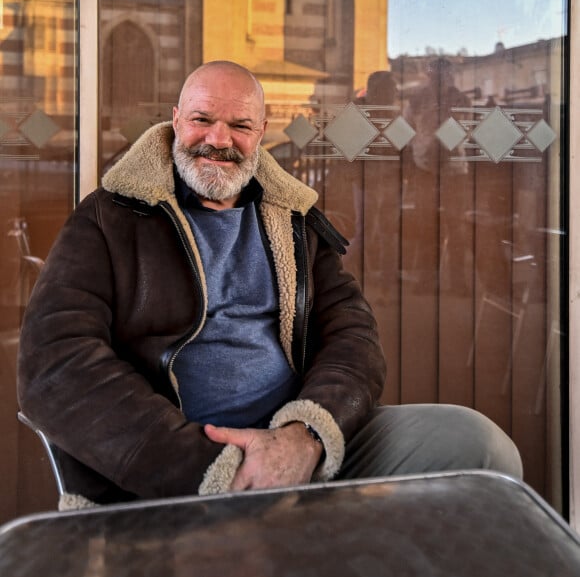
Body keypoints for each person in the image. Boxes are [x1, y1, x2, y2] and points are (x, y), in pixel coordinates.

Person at [17, 60, 522, 509]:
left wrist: (303, 437)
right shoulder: (108, 219)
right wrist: (214, 468)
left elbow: (354, 338)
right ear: (175, 121)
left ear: (262, 132)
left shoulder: (294, 220)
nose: (219, 139)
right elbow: (54, 365)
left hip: (305, 444)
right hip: (175, 469)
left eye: (239, 125)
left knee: (479, 446)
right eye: (202, 120)